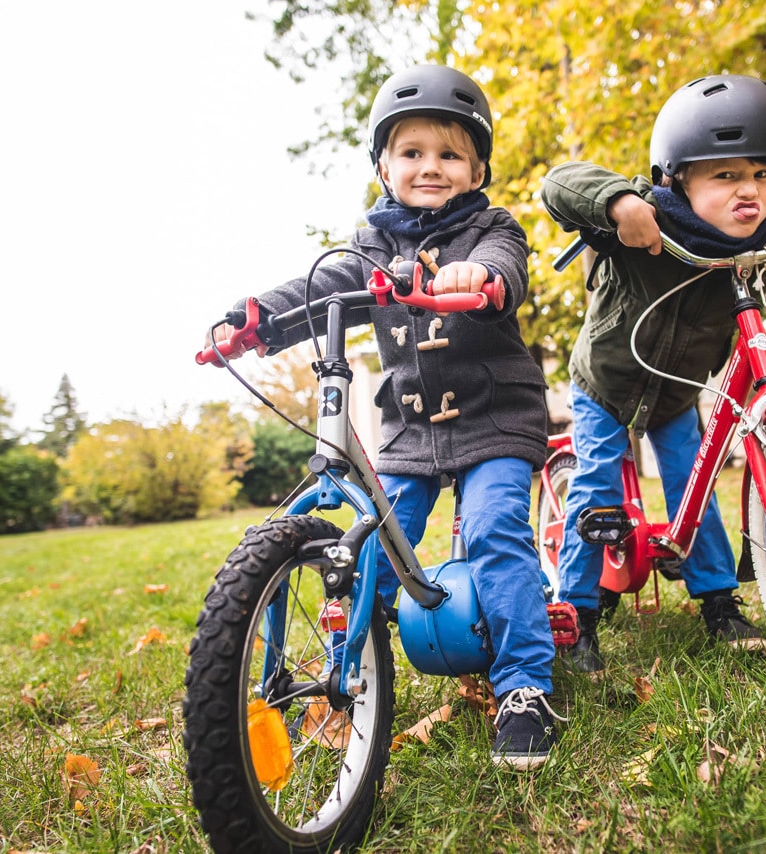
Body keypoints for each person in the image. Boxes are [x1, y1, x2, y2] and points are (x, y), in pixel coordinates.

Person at [215, 65, 561, 769]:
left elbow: (507, 264)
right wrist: (256, 321)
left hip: (494, 419)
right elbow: (322, 286)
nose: (430, 167)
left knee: (496, 528)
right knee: (367, 546)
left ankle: (526, 685)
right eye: (411, 153)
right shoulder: (370, 243)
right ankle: (349, 677)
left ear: (477, 167)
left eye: (449, 154)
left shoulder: (491, 225)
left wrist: (482, 278)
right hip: (410, 428)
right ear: (382, 165)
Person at [539, 74, 766, 672]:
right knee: (598, 490)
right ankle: (577, 615)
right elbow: (560, 183)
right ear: (676, 179)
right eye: (726, 175)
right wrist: (619, 204)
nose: (750, 192)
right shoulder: (651, 218)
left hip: (676, 392)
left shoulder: (762, 229)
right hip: (608, 384)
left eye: (763, 175)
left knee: (698, 481)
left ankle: (719, 602)